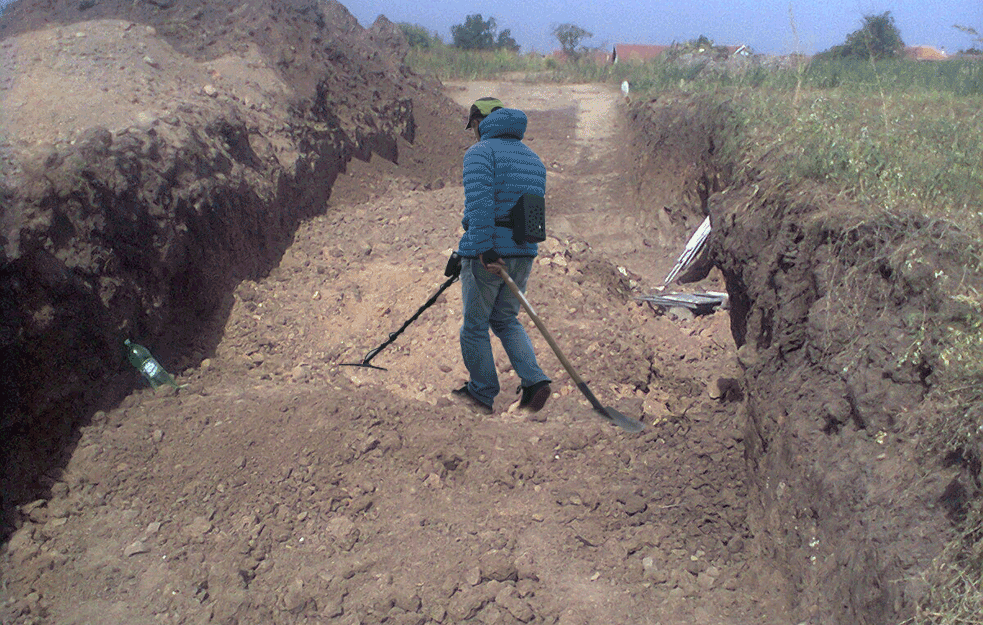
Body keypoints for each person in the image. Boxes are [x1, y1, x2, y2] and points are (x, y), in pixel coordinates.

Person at [446, 97, 552, 415]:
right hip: (524, 250)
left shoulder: (480, 153)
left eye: (474, 125)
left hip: (492, 250)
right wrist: (463, 250)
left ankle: (481, 393)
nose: (473, 132)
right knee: (505, 318)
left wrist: (480, 248)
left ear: (481, 122)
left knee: (475, 325)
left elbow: (480, 207)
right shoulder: (533, 158)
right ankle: (534, 382)